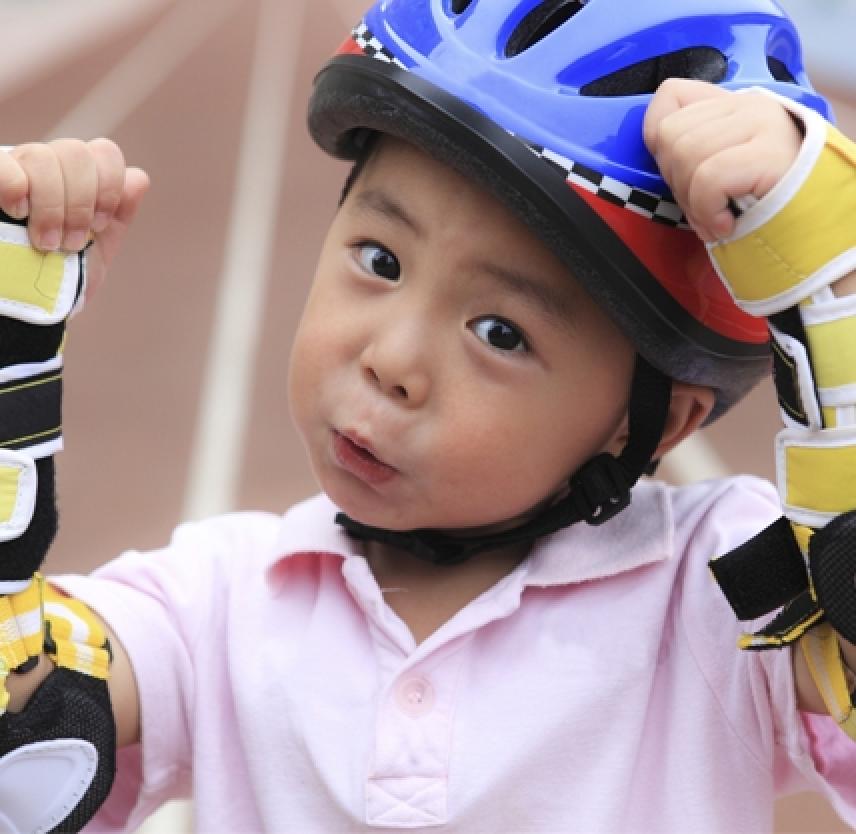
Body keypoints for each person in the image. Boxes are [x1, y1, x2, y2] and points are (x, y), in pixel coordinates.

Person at [2, 0, 856, 831]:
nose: (393, 360)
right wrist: (14, 353)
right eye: (380, 259)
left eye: (501, 333)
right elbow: (25, 724)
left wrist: (835, 288)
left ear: (651, 424)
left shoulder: (717, 587)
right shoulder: (219, 605)